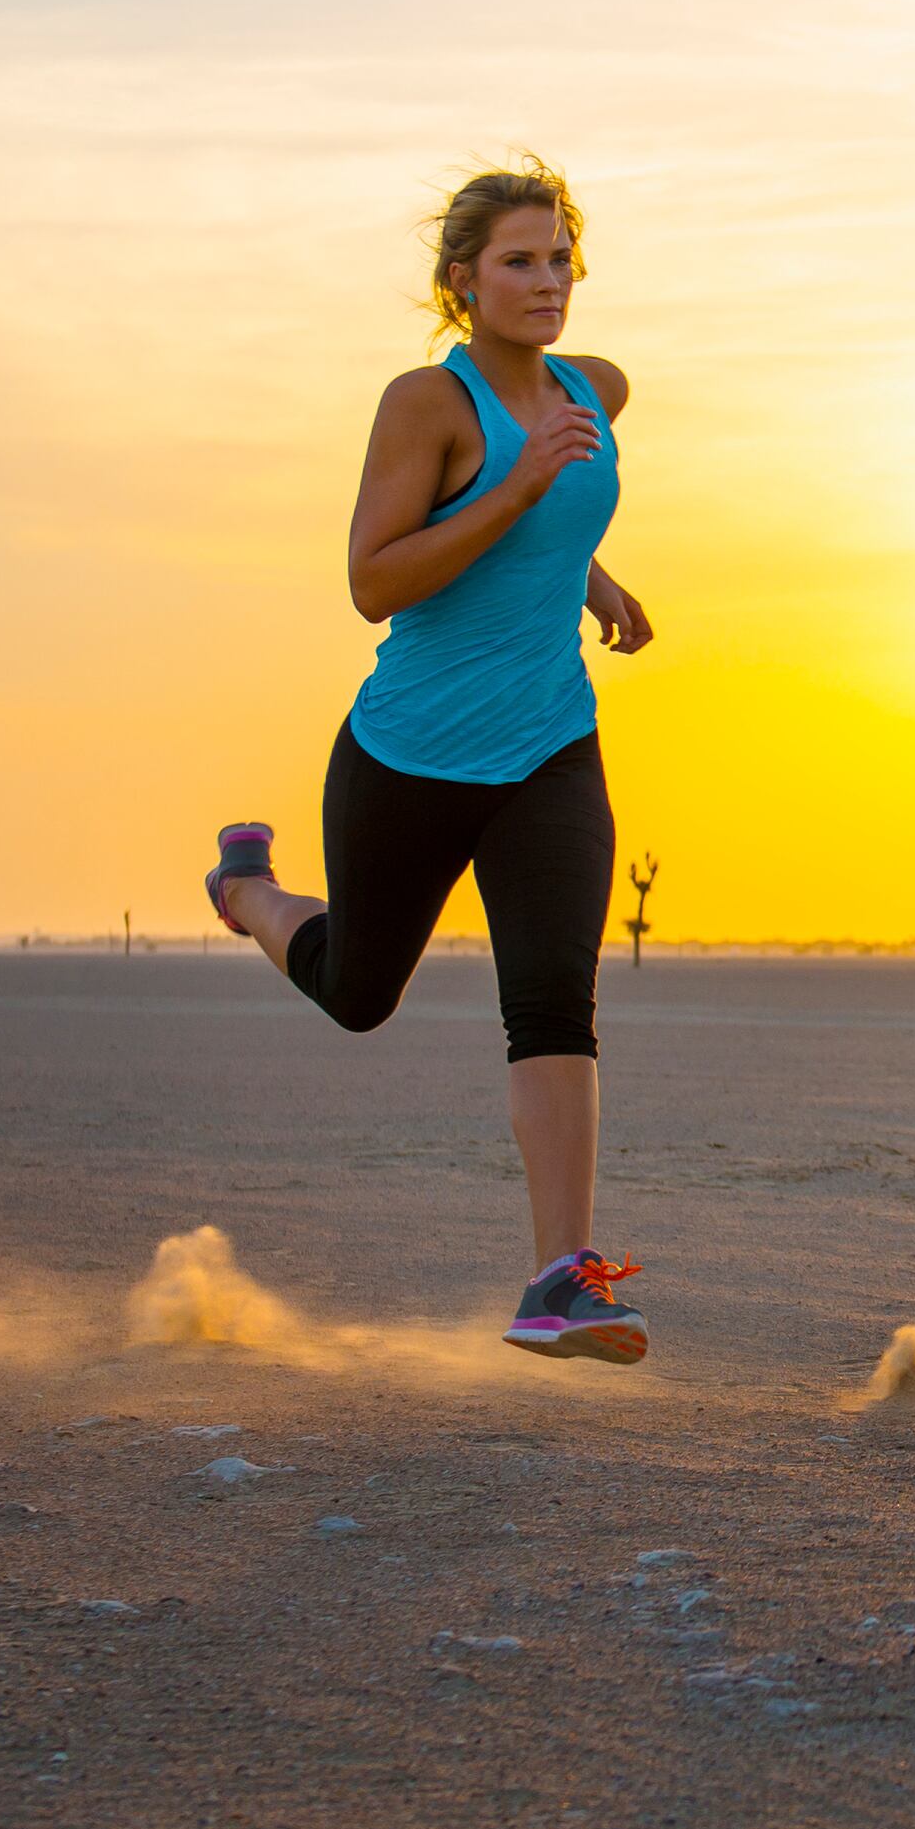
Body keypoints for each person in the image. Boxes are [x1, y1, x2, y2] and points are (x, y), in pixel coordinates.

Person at [203, 156, 659, 1362]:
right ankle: (248, 889)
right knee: (357, 992)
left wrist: (594, 580)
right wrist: (517, 485)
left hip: (550, 748)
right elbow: (373, 581)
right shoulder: (426, 406)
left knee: (556, 997)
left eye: (560, 258)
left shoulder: (596, 390)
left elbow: (556, 519)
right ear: (462, 281)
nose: (547, 281)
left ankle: (561, 1278)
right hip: (408, 754)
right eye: (518, 260)